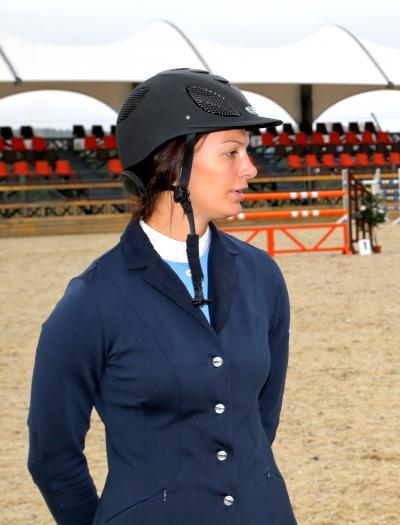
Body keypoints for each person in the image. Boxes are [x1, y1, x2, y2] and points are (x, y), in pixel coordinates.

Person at [27, 68, 298, 525]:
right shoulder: (91, 301)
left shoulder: (262, 276)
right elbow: (53, 457)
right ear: (171, 161)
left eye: (247, 152)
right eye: (231, 152)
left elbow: (260, 417)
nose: (250, 168)